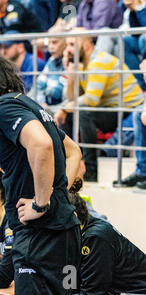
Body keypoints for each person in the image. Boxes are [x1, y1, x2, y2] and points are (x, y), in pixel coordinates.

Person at [0, 49, 83, 295]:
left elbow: (42, 145)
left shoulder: (4, 107)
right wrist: (56, 194)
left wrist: (41, 202)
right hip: (63, 231)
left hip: (39, 233)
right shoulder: (29, 104)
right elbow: (73, 152)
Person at [56, 29, 144, 182]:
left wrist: (64, 107)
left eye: (71, 44)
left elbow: (91, 100)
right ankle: (69, 165)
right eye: (66, 45)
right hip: (108, 108)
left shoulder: (99, 62)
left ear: (86, 45)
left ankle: (90, 169)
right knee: (70, 115)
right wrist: (71, 77)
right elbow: (72, 97)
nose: (67, 49)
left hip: (126, 110)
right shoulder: (83, 64)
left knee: (83, 112)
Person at [68, 178, 146, 295]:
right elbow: (70, 286)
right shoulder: (73, 236)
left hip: (135, 294)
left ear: (73, 216)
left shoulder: (95, 237)